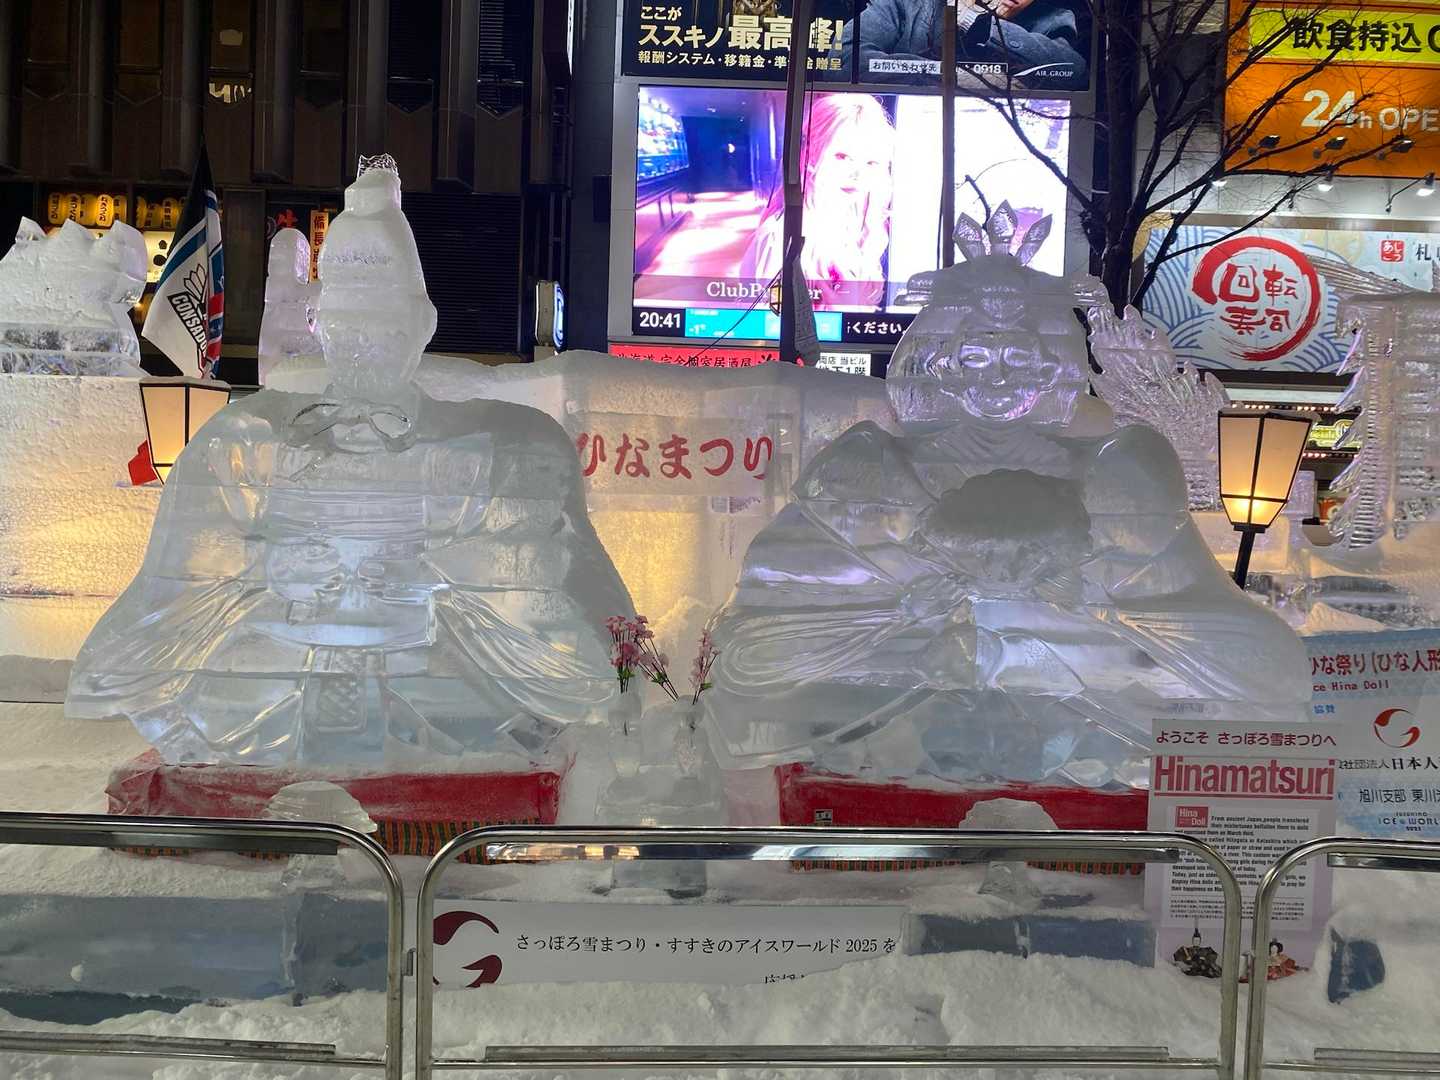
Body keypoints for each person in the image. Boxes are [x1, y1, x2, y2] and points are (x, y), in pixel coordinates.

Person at [740, 93, 894, 311]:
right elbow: (769, 324)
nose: (857, 174)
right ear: (809, 154)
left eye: (870, 162)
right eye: (842, 156)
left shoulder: (858, 225)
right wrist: (844, 312)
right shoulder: (781, 237)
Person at [830, 0, 1088, 90]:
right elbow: (842, 61)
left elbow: (1074, 73)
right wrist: (953, 77)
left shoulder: (1052, 19)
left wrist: (984, 26)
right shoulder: (908, 4)